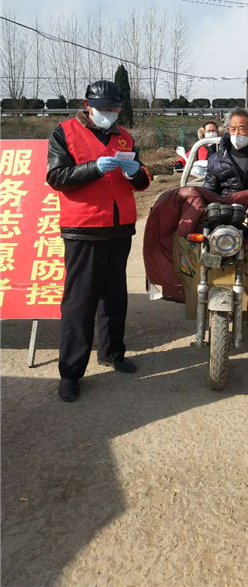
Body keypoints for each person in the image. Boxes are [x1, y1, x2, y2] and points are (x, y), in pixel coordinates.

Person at [47, 80, 152, 402]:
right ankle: (71, 372)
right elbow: (56, 177)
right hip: (84, 228)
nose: (109, 114)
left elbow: (142, 183)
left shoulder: (125, 137)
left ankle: (112, 352)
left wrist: (136, 171)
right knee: (80, 303)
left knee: (115, 296)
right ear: (87, 104)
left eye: (114, 109)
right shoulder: (64, 133)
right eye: (103, 108)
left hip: (120, 228)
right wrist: (93, 168)